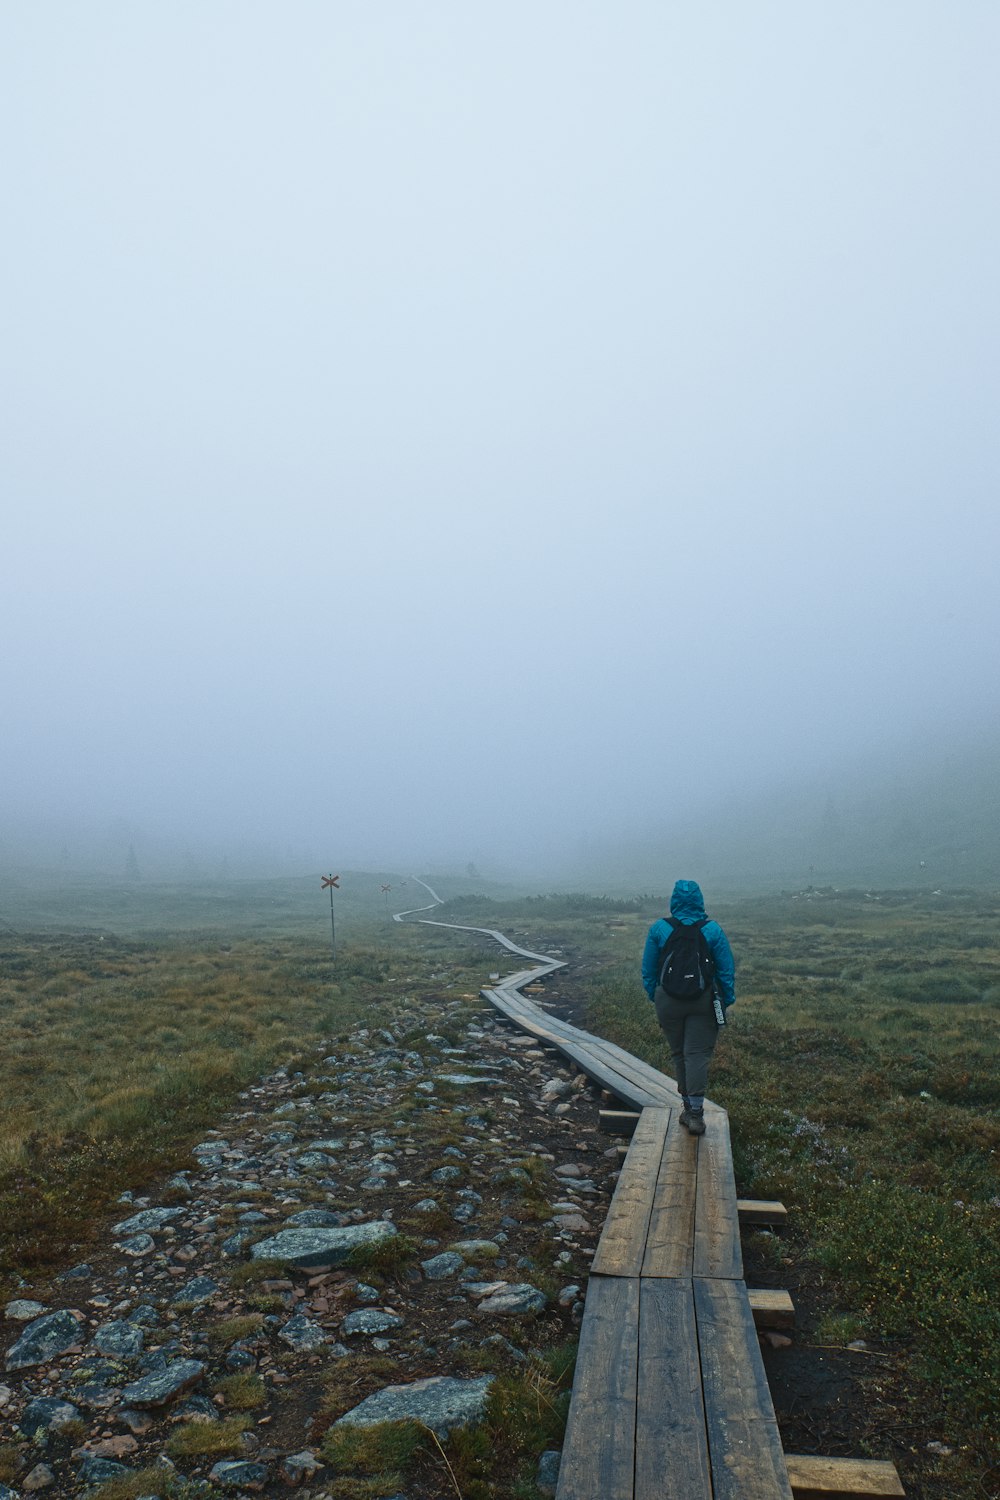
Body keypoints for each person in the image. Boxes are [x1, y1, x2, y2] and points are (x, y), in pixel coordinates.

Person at [641, 879, 735, 1136]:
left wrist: (657, 995)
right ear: (700, 900)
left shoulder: (659, 929)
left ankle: (686, 1108)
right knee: (697, 1054)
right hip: (703, 1000)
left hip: (667, 1001)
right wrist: (725, 1000)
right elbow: (726, 970)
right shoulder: (712, 930)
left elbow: (648, 970)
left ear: (674, 900)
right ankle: (695, 1114)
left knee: (679, 1053)